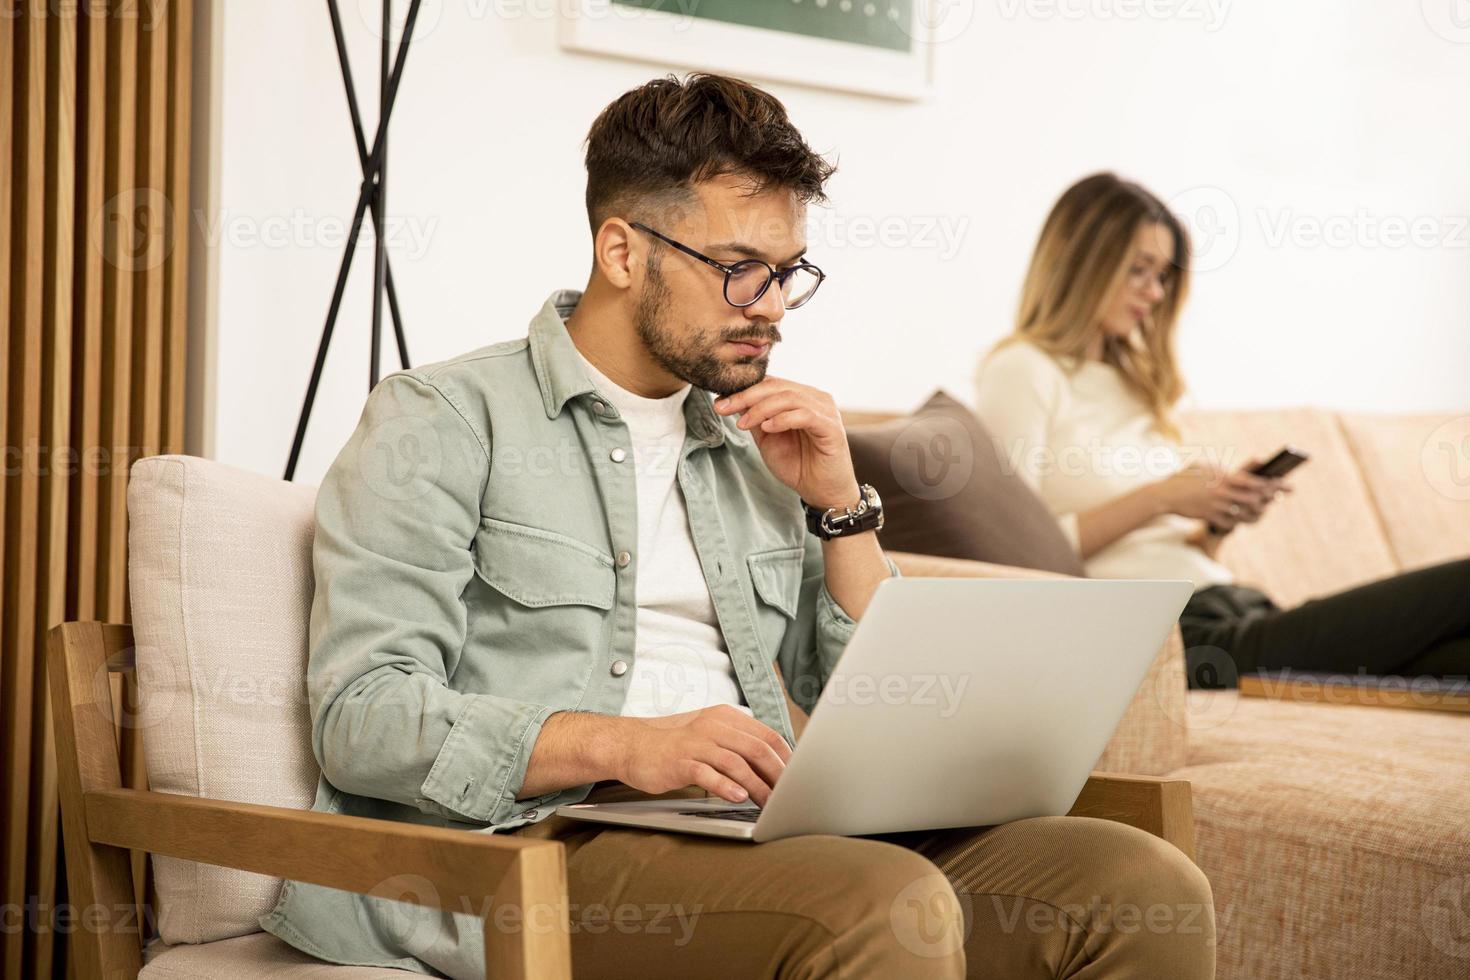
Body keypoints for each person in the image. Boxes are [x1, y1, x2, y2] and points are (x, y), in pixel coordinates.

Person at [259, 82, 1215, 978]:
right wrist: (624, 746)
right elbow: (365, 717)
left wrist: (843, 509)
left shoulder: (757, 441)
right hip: (535, 849)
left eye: (788, 274)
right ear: (623, 251)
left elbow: (867, 710)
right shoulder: (443, 421)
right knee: (879, 904)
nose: (770, 309)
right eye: (739, 270)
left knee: (1135, 887)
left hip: (761, 832)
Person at [975, 171, 1470, 691]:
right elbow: (1016, 559)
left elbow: (1165, 550)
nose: (1155, 292)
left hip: (1232, 605)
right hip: (1173, 636)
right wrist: (1160, 497)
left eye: (1163, 275)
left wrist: (1216, 521)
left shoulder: (1132, 380)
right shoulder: (1023, 371)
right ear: (1080, 264)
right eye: (1139, 271)